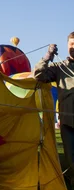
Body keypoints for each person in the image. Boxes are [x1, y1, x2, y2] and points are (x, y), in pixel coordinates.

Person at [33, 33, 74, 178]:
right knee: (72, 164)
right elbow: (38, 75)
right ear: (67, 46)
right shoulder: (59, 67)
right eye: (72, 44)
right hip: (69, 126)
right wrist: (47, 56)